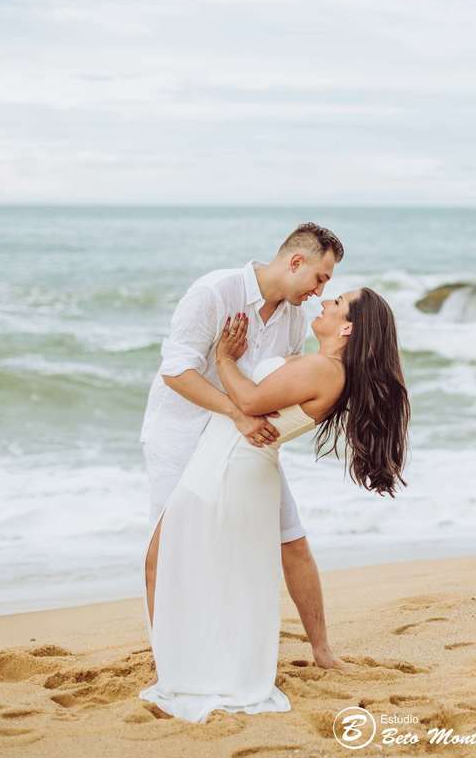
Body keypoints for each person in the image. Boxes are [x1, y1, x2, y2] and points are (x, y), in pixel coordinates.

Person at [138, 287, 410, 721]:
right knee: (205, 563)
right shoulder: (322, 365)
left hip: (231, 464)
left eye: (335, 302)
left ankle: (190, 668)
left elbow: (249, 402)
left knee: (167, 557)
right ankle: (192, 661)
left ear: (347, 327)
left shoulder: (325, 369)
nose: (324, 302)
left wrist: (224, 358)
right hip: (234, 462)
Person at [139, 223, 345, 669]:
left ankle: (323, 651)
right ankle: (167, 657)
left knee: (291, 536)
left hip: (245, 442)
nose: (320, 289)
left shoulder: (292, 315)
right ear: (296, 262)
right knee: (168, 545)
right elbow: (176, 373)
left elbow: (276, 386)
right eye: (320, 278)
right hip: (182, 433)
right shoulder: (215, 293)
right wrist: (237, 412)